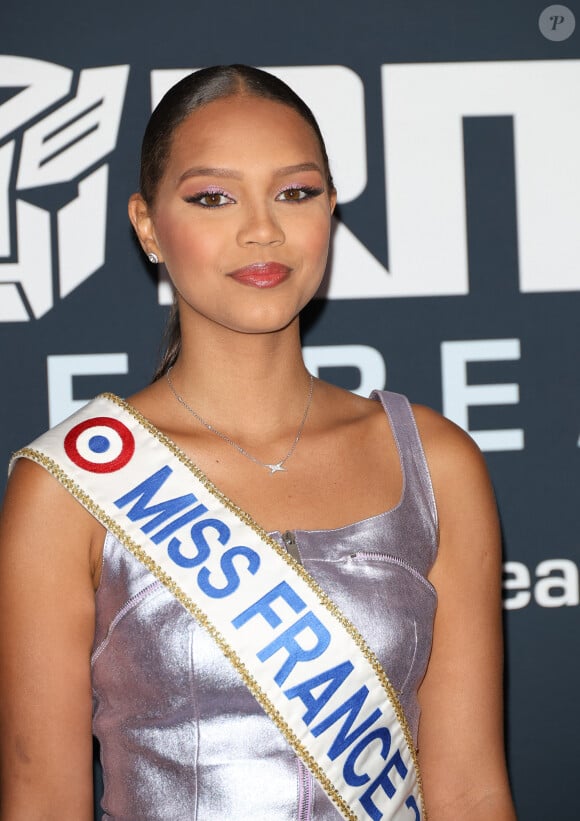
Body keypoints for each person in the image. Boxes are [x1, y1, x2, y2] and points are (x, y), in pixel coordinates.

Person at [0, 65, 516, 820]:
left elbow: (470, 790)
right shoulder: (72, 482)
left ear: (330, 213)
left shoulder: (437, 463)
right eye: (212, 197)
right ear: (147, 225)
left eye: (296, 192)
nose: (262, 228)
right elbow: (42, 799)